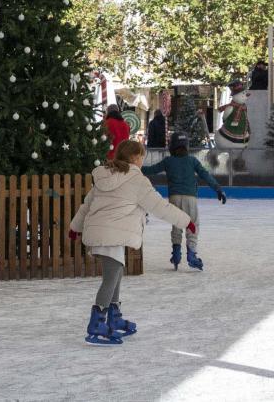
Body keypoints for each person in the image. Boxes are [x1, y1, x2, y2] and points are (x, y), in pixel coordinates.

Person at [69, 140, 193, 346]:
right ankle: (97, 322)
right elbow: (160, 206)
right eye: (142, 157)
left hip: (104, 232)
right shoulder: (137, 180)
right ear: (135, 158)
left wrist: (75, 227)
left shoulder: (104, 176)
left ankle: (114, 316)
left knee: (116, 273)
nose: (142, 161)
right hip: (112, 234)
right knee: (111, 278)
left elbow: (87, 205)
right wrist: (186, 221)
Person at [141, 131, 226, 271]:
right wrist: (218, 189)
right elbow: (205, 175)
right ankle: (191, 255)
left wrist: (135, 167)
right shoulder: (192, 161)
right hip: (190, 198)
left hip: (174, 198)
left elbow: (151, 170)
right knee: (192, 225)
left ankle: (176, 254)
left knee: (177, 224)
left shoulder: (168, 161)